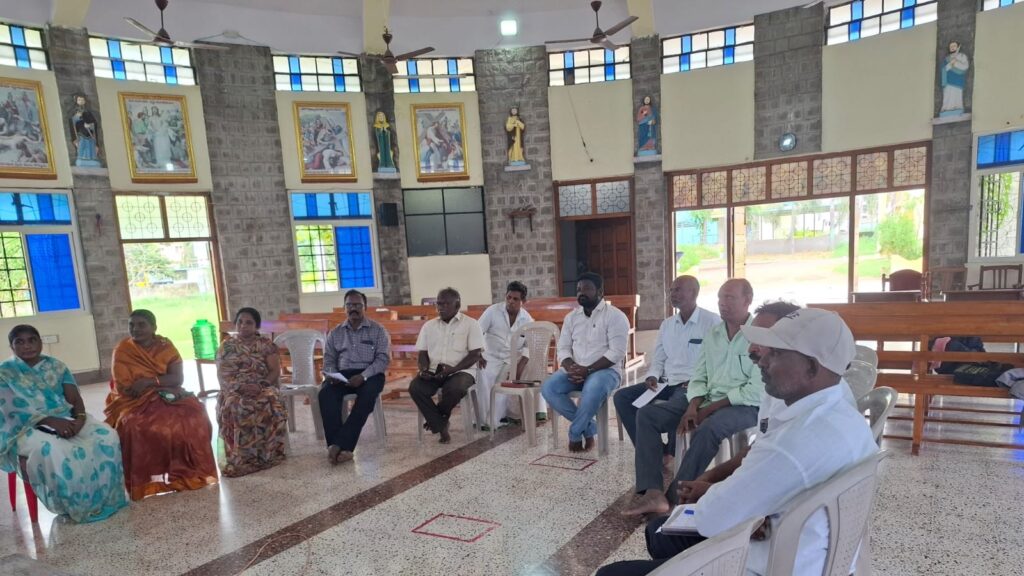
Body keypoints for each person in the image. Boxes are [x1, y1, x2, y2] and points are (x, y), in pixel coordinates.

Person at [597, 308, 878, 576]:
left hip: (763, 562)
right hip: (809, 552)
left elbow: (712, 519)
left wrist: (729, 503)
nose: (763, 359)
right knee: (663, 534)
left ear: (812, 367)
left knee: (611, 572)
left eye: (777, 353)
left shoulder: (792, 442)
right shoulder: (843, 413)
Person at [624, 278, 762, 516]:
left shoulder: (757, 337)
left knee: (707, 428)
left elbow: (754, 390)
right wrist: (693, 405)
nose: (722, 303)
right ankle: (651, 490)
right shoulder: (715, 334)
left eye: (729, 298)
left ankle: (674, 498)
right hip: (706, 400)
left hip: (744, 406)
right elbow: (699, 375)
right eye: (720, 298)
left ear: (747, 301)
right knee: (647, 414)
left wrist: (708, 409)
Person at [0, 325, 128, 523]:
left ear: (40, 342)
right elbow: (9, 411)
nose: (27, 346)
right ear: (11, 346)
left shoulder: (56, 366)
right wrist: (50, 421)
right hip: (23, 428)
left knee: (107, 436)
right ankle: (73, 504)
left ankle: (107, 498)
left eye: (32, 340)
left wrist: (79, 420)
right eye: (20, 342)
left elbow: (75, 400)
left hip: (65, 418)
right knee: (55, 449)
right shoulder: (5, 373)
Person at [613, 276, 720, 494]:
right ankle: (660, 452)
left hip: (692, 386)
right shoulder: (667, 324)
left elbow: (716, 361)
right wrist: (652, 375)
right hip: (665, 382)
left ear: (694, 293)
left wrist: (699, 381)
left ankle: (668, 454)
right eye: (671, 290)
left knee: (657, 411)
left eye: (679, 290)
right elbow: (659, 356)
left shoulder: (712, 322)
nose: (673, 294)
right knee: (622, 397)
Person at [105, 309, 217, 500]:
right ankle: (146, 483)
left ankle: (189, 474)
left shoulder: (165, 346)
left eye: (142, 325)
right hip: (132, 401)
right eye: (132, 325)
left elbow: (177, 378)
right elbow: (126, 388)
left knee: (195, 415)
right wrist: (155, 385)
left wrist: (151, 383)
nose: (136, 329)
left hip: (167, 392)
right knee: (135, 425)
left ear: (154, 327)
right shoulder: (123, 350)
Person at [542, 272, 630, 453]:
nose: (581, 293)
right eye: (578, 289)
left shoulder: (615, 316)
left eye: (587, 289)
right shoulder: (571, 318)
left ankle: (575, 434)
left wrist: (588, 370)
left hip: (606, 371)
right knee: (548, 388)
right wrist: (570, 366)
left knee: (593, 387)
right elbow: (563, 348)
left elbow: (617, 352)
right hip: (576, 369)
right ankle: (589, 428)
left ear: (600, 291)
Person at [319, 289, 390, 464]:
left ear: (365, 307)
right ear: (344, 308)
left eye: (357, 305)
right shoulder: (336, 332)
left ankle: (341, 445)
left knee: (366, 397)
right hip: (342, 375)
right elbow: (329, 358)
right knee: (325, 394)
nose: (353, 308)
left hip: (371, 374)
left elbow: (383, 359)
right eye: (349, 305)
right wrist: (331, 374)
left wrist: (363, 376)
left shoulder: (377, 330)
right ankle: (337, 445)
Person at [215, 307, 287, 477]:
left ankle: (267, 454)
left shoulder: (266, 345)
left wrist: (261, 385)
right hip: (234, 388)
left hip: (262, 386)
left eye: (249, 322)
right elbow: (223, 374)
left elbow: (274, 371)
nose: (243, 326)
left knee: (270, 401)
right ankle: (241, 457)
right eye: (240, 322)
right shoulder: (227, 346)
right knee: (235, 404)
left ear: (257, 326)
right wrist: (239, 387)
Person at [408, 288, 483, 444]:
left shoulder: (471, 324)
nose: (440, 307)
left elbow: (475, 354)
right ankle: (441, 424)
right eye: (439, 304)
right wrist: (423, 370)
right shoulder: (429, 326)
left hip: (462, 371)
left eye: (445, 304)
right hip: (435, 370)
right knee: (416, 387)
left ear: (457, 305)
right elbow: (422, 353)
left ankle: (437, 420)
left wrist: (453, 369)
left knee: (455, 388)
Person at [477, 280, 542, 428]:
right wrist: (478, 354)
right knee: (483, 374)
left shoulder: (527, 319)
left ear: (523, 301)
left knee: (528, 369)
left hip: (512, 359)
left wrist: (520, 364)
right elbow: (477, 333)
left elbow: (530, 345)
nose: (511, 302)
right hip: (489, 357)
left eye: (515, 299)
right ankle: (484, 420)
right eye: (508, 297)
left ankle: (514, 415)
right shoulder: (492, 311)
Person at [69, 93, 101, 167]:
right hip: (80, 133)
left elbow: (94, 122)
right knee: (82, 145)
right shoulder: (75, 111)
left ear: (85, 101)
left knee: (90, 146)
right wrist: (77, 117)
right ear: (76, 101)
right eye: (79, 100)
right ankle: (82, 159)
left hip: (89, 133)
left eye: (82, 100)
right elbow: (72, 122)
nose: (81, 101)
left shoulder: (87, 112)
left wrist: (90, 125)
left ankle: (91, 159)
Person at [940, 41, 969, 117]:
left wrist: (956, 62)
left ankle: (957, 109)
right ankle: (946, 110)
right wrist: (950, 64)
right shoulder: (947, 58)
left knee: (957, 95)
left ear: (957, 47)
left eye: (954, 46)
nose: (952, 48)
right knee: (948, 95)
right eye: (951, 46)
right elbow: (944, 69)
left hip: (958, 80)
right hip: (949, 81)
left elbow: (965, 67)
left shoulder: (962, 56)